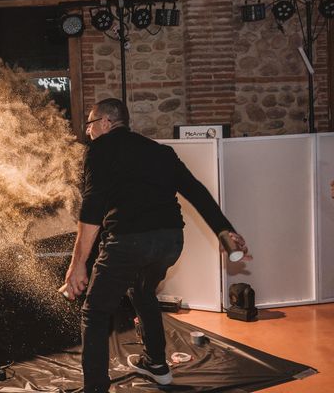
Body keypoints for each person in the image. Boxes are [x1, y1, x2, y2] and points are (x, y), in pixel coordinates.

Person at [62, 98, 249, 391]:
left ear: (106, 122)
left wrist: (77, 265)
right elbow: (197, 192)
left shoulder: (99, 150)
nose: (88, 132)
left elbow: (92, 211)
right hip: (170, 241)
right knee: (142, 290)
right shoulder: (160, 151)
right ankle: (157, 365)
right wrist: (225, 230)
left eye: (90, 124)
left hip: (128, 242)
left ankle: (95, 388)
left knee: (95, 312)